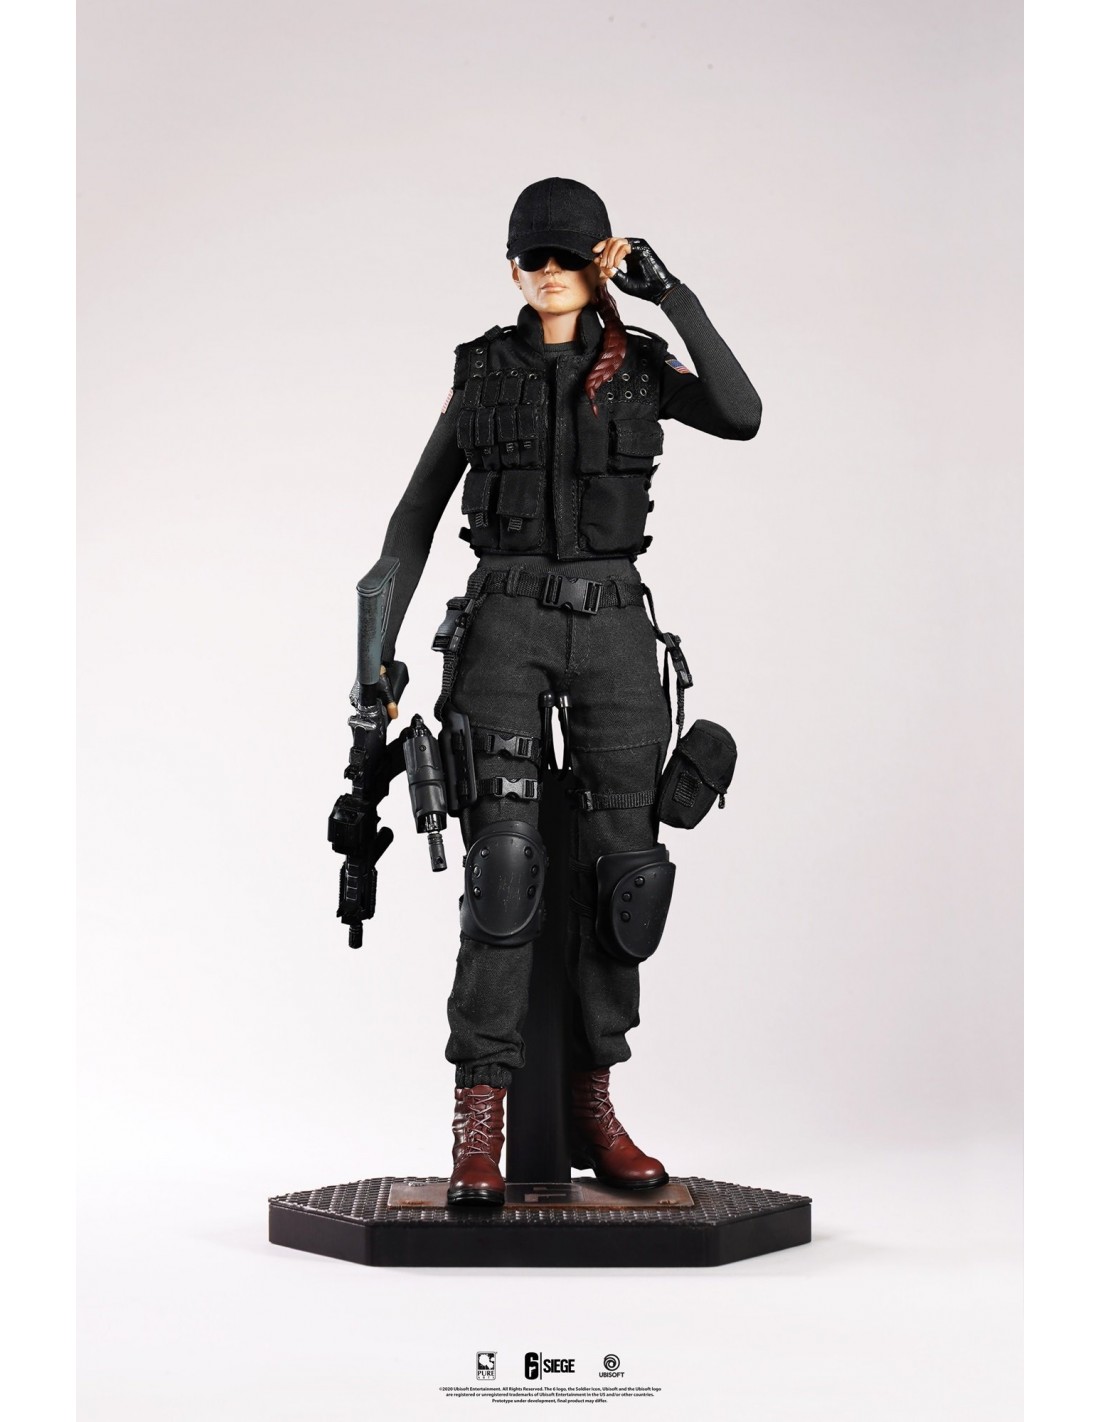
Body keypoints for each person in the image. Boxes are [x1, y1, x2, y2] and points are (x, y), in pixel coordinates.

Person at [376, 177, 762, 1205]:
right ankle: (480, 1115)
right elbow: (413, 519)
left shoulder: (639, 368)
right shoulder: (482, 373)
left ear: (600, 261)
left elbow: (742, 414)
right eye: (532, 258)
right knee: (502, 873)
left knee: (623, 870)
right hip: (503, 622)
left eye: (568, 257)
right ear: (511, 267)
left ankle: (594, 1100)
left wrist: (670, 293)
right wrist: (375, 653)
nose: (548, 274)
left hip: (614, 627)